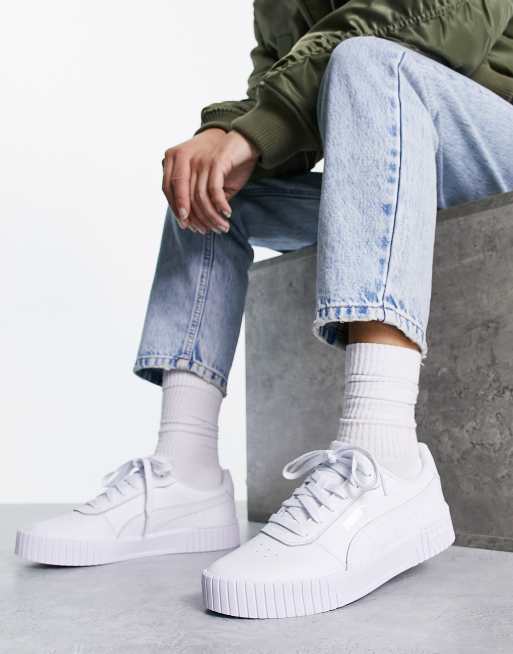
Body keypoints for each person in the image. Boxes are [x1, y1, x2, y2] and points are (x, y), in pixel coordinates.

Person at [15, 1, 513, 619]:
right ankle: (187, 472)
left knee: (371, 61)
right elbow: (286, 98)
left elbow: (437, 21)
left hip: (491, 140)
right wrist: (224, 132)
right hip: (399, 160)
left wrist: (256, 127)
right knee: (214, 189)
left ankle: (384, 456)